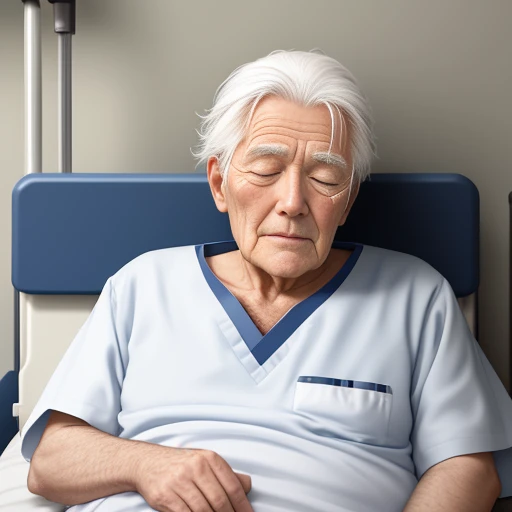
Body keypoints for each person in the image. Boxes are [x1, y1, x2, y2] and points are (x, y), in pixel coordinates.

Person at [20, 49, 512, 512]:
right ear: (219, 183)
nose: (293, 201)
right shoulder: (142, 285)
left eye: (324, 177)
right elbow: (52, 460)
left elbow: (468, 466)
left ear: (348, 199)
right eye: (265, 170)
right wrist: (145, 463)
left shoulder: (416, 298)